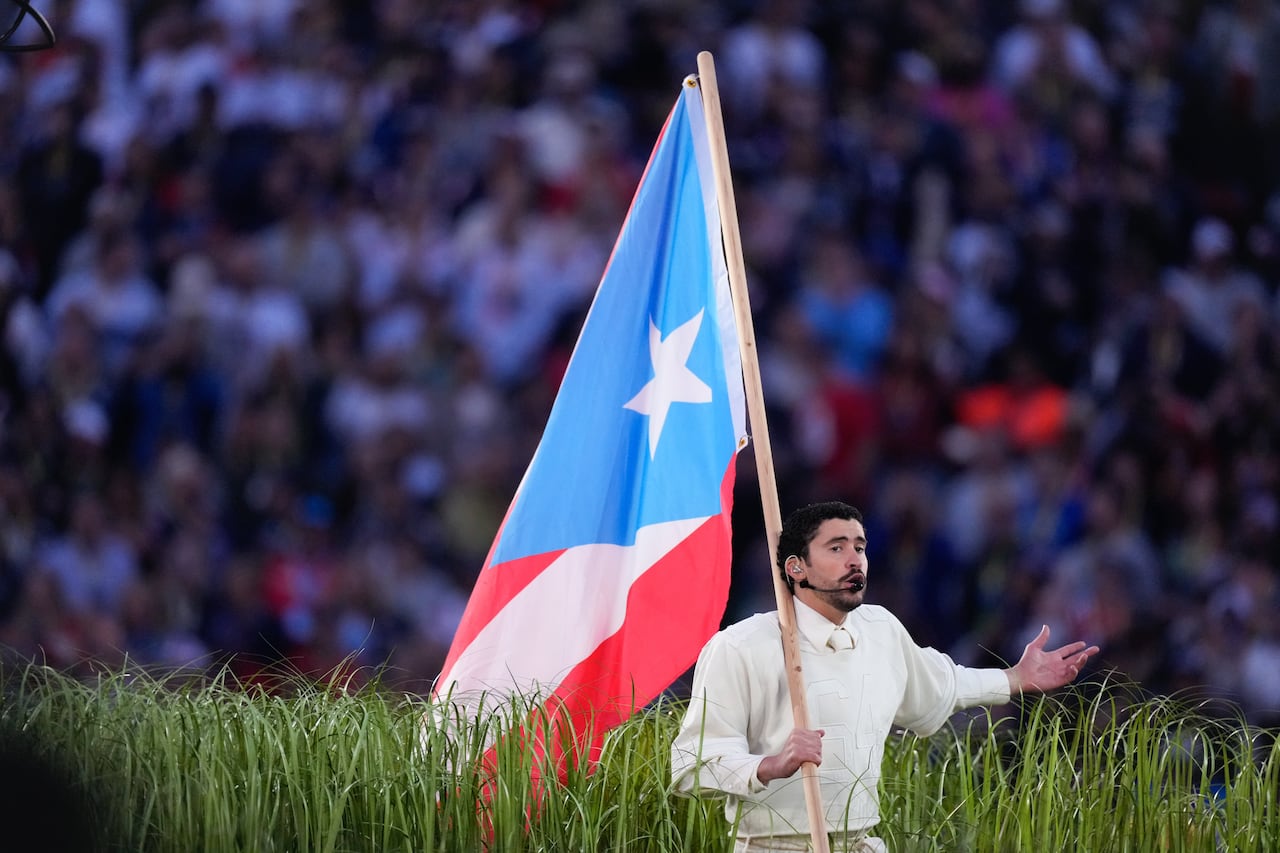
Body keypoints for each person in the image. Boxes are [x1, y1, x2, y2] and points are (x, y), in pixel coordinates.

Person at [671, 501, 1099, 853]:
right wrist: (770, 765)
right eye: (836, 548)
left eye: (860, 546)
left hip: (862, 844)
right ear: (796, 568)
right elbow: (689, 765)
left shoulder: (881, 629)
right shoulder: (739, 645)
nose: (855, 559)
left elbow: (941, 683)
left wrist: (1013, 679)